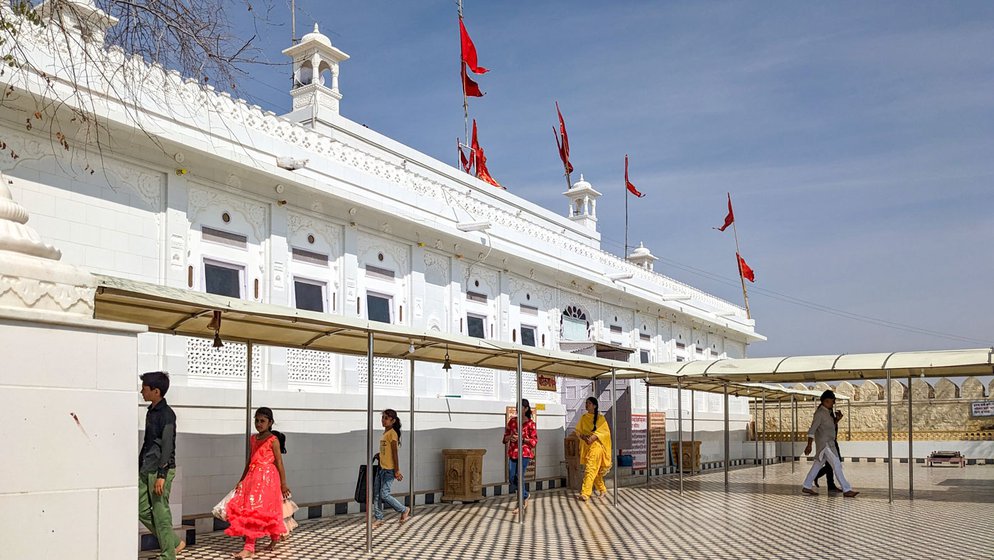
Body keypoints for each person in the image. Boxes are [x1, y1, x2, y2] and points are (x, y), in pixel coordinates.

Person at [225, 407, 291, 558]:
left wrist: (283, 484)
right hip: (253, 477)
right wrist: (241, 480)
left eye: (262, 421)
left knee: (263, 509)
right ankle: (255, 541)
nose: (259, 424)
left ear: (270, 423)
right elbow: (250, 460)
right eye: (257, 420)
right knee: (251, 509)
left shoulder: (273, 440)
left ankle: (253, 545)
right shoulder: (254, 438)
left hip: (268, 478)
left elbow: (279, 462)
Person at [139, 371, 185, 560]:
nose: (141, 391)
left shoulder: (167, 414)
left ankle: (168, 555)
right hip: (145, 467)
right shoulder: (151, 410)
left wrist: (161, 474)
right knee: (140, 510)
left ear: (156, 391)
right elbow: (148, 442)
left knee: (161, 513)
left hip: (160, 470)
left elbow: (167, 445)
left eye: (144, 388)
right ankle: (173, 542)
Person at [802, 391, 858, 497]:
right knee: (837, 464)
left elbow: (829, 427)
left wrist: (837, 419)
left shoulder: (827, 412)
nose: (833, 404)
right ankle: (847, 489)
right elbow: (812, 430)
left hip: (828, 443)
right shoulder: (820, 413)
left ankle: (807, 485)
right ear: (825, 401)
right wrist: (809, 445)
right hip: (826, 444)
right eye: (832, 402)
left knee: (817, 465)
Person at [373, 409, 410, 527]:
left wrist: (397, 470)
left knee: (384, 494)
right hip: (381, 468)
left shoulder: (392, 434)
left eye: (386, 418)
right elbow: (386, 451)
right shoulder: (385, 434)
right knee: (377, 494)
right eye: (383, 417)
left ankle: (404, 510)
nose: (383, 420)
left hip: (389, 470)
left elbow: (394, 453)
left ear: (393, 421)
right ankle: (379, 518)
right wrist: (379, 456)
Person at [502, 398, 538, 514]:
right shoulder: (512, 421)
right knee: (512, 477)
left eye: (520, 407)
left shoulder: (530, 424)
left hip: (525, 453)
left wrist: (522, 439)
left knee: (519, 476)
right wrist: (511, 437)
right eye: (517, 406)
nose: (518, 409)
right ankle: (526, 494)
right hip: (513, 452)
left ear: (526, 408)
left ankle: (521, 503)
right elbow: (505, 438)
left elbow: (534, 441)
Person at [574, 396, 612, 502]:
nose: (587, 405)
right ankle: (602, 489)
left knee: (590, 468)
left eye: (589, 403)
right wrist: (583, 437)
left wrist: (593, 437)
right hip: (587, 446)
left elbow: (604, 432)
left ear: (594, 406)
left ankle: (585, 493)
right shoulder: (584, 417)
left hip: (597, 446)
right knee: (594, 470)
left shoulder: (600, 418)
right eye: (586, 403)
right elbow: (578, 431)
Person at [814, 409, 844, 491]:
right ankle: (831, 485)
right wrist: (837, 420)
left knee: (830, 465)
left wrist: (837, 419)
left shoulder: (830, 417)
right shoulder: (823, 416)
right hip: (827, 444)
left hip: (832, 442)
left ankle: (819, 477)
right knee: (832, 464)